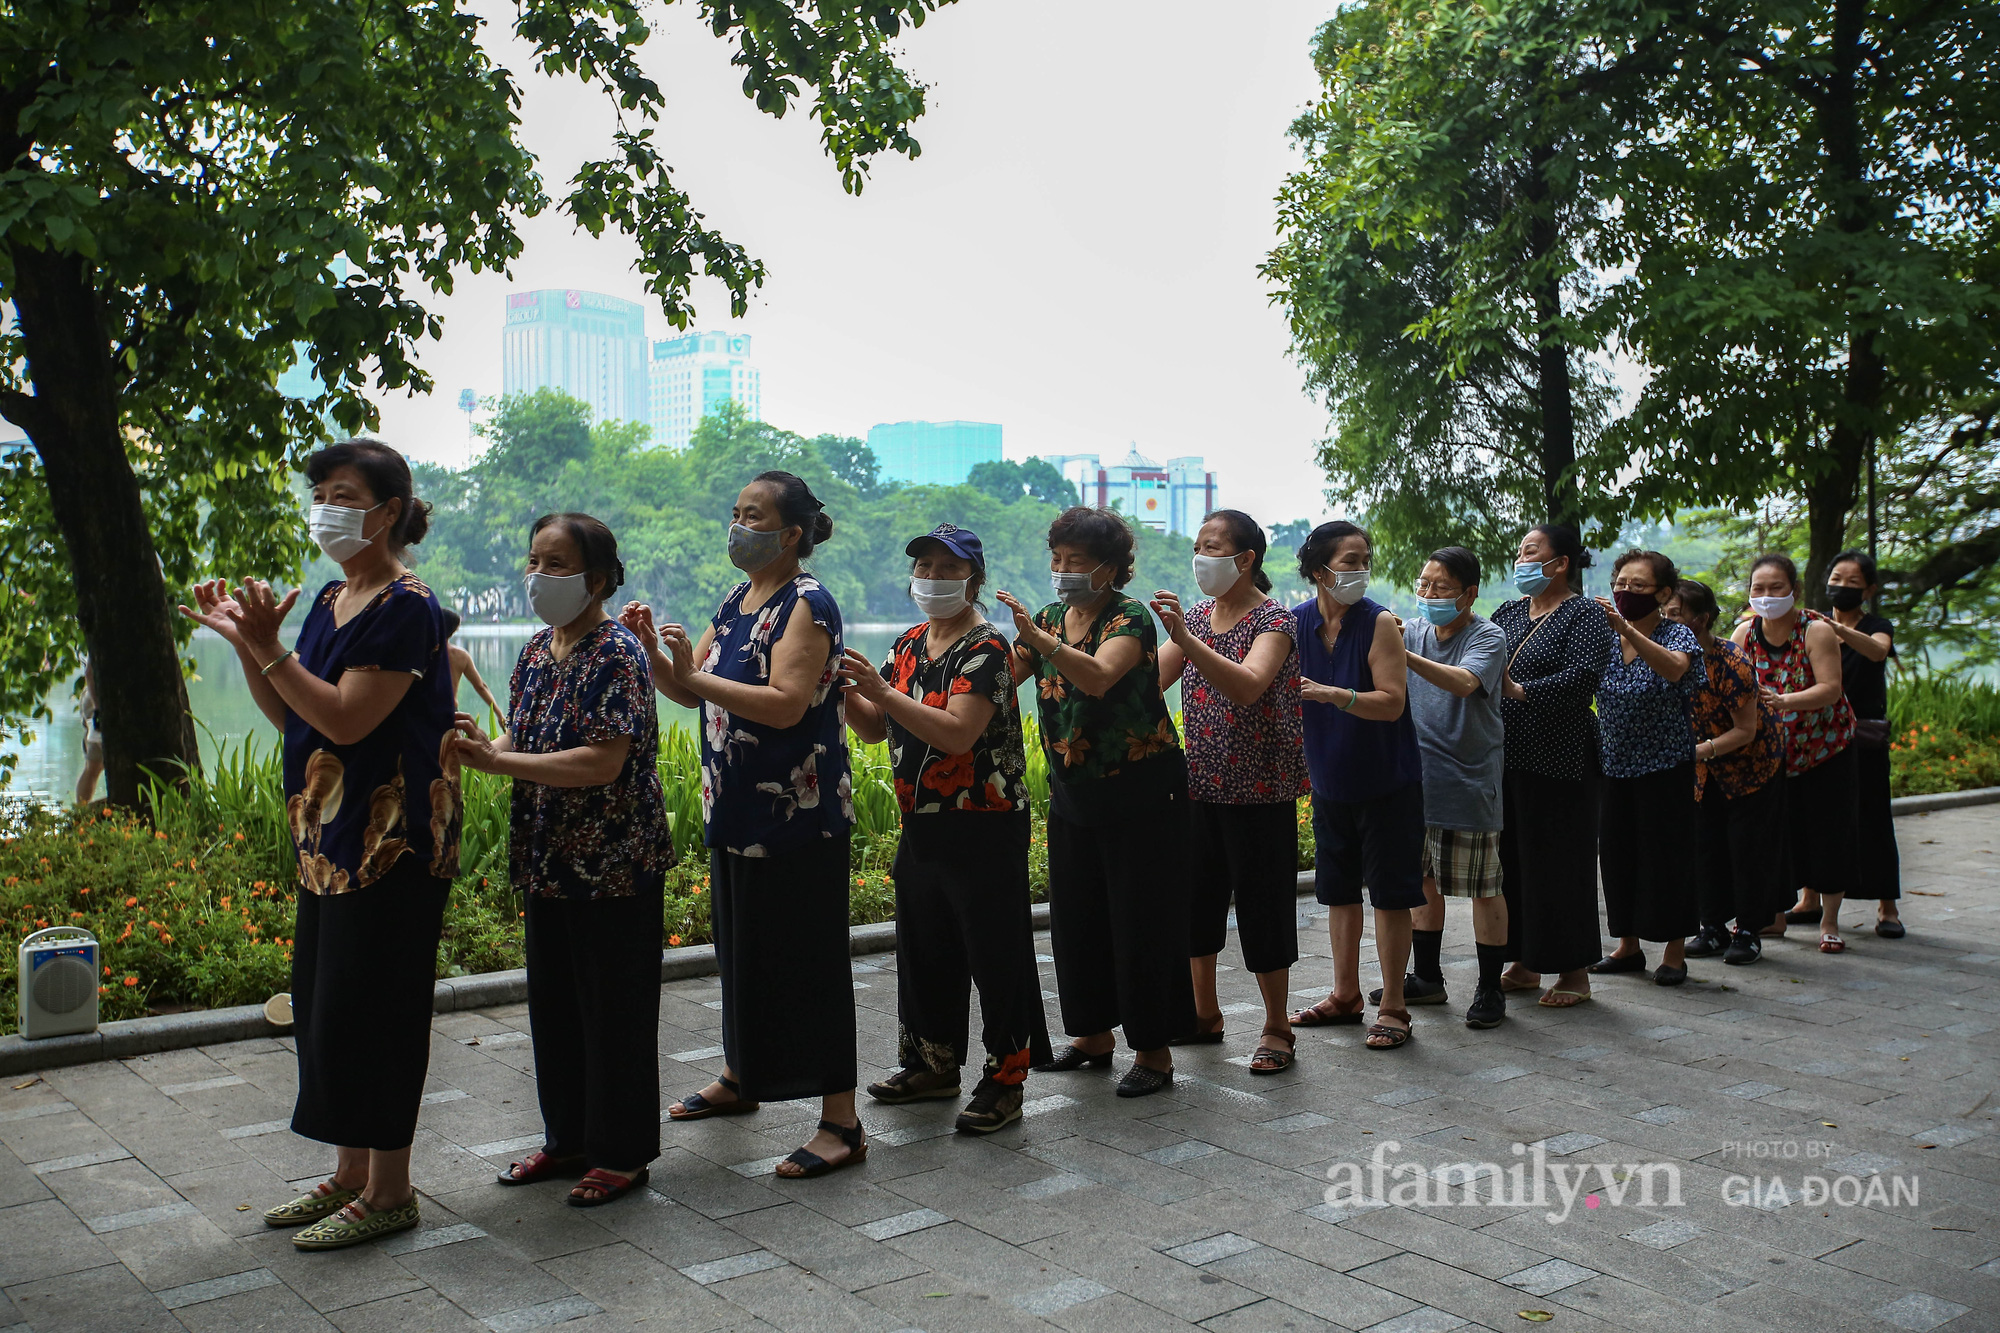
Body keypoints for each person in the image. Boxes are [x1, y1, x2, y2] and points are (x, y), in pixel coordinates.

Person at [180, 438, 458, 1250]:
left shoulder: (408, 604)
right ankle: (349, 1174)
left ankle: (392, 1189)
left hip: (390, 839)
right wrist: (245, 639)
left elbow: (347, 718)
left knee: (381, 1008)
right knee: (330, 1006)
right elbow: (297, 719)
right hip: (326, 837)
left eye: (343, 492)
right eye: (321, 491)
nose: (326, 507)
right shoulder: (334, 597)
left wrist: (267, 647)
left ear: (389, 511)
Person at [621, 471, 864, 1178]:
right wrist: (652, 653)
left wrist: (691, 679)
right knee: (742, 952)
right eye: (735, 512)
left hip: (799, 817)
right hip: (735, 809)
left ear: (790, 534)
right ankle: (741, 1074)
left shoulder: (809, 604)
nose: (737, 525)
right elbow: (688, 685)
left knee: (810, 964)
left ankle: (841, 1122)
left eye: (752, 515)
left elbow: (787, 703)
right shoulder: (737, 599)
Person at [456, 514, 674, 1207]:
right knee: (556, 1009)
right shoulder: (532, 653)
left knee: (615, 1011)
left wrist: (500, 761)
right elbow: (524, 738)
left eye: (558, 564)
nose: (540, 576)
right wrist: (483, 742)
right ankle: (568, 1138)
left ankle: (622, 1152)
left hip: (614, 864)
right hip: (548, 863)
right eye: (535, 561)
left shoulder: (617, 652)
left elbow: (603, 761)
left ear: (600, 577)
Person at [840, 523, 1051, 1132]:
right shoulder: (908, 645)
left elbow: (958, 732)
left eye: (947, 570)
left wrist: (880, 689)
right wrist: (845, 692)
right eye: (925, 569)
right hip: (923, 821)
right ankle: (931, 1064)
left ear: (973, 580)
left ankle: (1005, 1078)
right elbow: (877, 727)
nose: (933, 579)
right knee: (924, 946)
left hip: (985, 823)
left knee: (995, 953)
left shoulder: (986, 648)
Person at [996, 506, 1193, 1097]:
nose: (1061, 571)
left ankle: (1154, 1053)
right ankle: (1091, 1036)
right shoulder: (1052, 617)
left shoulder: (1129, 619)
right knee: (1076, 916)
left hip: (1142, 790)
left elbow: (1100, 676)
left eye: (1075, 562)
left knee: (1141, 918)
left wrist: (1039, 640)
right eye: (1056, 560)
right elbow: (1003, 682)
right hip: (1074, 791)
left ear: (1110, 568)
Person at [1151, 510, 1308, 1074]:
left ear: (1246, 559)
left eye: (1213, 547)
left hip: (1262, 790)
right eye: (1198, 546)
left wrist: (1187, 642)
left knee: (1264, 909)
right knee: (1197, 905)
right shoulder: (1195, 619)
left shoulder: (1275, 621)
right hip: (1202, 785)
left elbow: (1247, 686)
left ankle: (1276, 1026)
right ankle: (1204, 1014)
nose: (1201, 558)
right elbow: (1149, 684)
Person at [1285, 521, 1424, 1051]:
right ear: (1319, 570)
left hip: (1388, 782)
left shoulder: (1378, 622)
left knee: (1391, 896)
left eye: (1365, 557)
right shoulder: (1294, 624)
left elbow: (1391, 702)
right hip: (1329, 783)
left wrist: (1334, 695)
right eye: (1349, 560)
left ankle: (1393, 1005)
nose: (1359, 568)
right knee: (1338, 893)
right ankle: (1344, 995)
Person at [1490, 524, 1616, 1008]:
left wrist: (1521, 690)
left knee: (1561, 862)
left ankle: (1574, 971)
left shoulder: (1584, 613)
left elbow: (1585, 676)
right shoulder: (1509, 611)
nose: (1521, 560)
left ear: (1560, 562)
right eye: (1519, 552)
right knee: (1514, 862)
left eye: (1531, 552)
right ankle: (1523, 962)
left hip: (1562, 756)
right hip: (1509, 753)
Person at [1400, 547, 1511, 1028]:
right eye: (1423, 585)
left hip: (1469, 778)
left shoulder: (1487, 635)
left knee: (1484, 887)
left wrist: (1399, 654)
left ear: (1469, 593)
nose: (1427, 595)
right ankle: (1427, 976)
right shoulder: (1414, 628)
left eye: (1440, 588)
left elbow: (1465, 682)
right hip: (1417, 779)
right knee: (1421, 881)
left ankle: (1490, 988)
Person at [1732, 552, 1858, 953]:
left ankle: (1830, 922)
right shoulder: (1744, 634)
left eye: (1776, 588)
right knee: (1775, 836)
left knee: (1827, 833)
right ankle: (1774, 917)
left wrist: (1782, 701)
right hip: (1771, 754)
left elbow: (1831, 689)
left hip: (1825, 749)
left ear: (1795, 591)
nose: (1766, 596)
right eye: (1758, 589)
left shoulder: (1814, 630)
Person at [1587, 550, 1702, 985]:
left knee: (1667, 858)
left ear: (1664, 593)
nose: (1626, 592)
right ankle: (1627, 945)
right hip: (1613, 766)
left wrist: (1629, 630)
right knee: (1618, 856)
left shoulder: (1677, 636)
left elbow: (1675, 671)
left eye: (1638, 586)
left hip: (1665, 767)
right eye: (1621, 584)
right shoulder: (1602, 637)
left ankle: (1674, 952)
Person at [1664, 579, 1786, 965]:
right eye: (1663, 614)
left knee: (1746, 848)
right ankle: (1712, 926)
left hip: (1751, 765)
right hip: (1703, 767)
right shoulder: (1665, 657)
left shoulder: (1730, 662)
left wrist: (1700, 751)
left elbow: (1746, 730)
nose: (1667, 622)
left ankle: (1749, 931)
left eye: (1675, 615)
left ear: (1700, 620)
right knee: (1706, 845)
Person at [1818, 551, 1902, 937]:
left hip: (1863, 736)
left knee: (1873, 817)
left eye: (1853, 582)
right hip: (1820, 734)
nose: (1842, 587)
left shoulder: (1876, 625)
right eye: (1837, 579)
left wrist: (1837, 631)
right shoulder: (1814, 626)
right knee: (1817, 816)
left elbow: (1878, 650)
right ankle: (1808, 897)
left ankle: (1888, 907)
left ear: (1869, 589)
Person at [440, 607, 506, 728]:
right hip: (450, 712)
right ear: (454, 630)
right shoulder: (461, 656)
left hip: (426, 712)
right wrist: (499, 715)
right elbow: (480, 686)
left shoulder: (423, 653)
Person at [74, 656, 103, 804]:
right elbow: (89, 672)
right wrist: (98, 709)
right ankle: (81, 813)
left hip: (95, 699)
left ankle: (81, 813)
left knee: (94, 766)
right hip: (97, 699)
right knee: (95, 764)